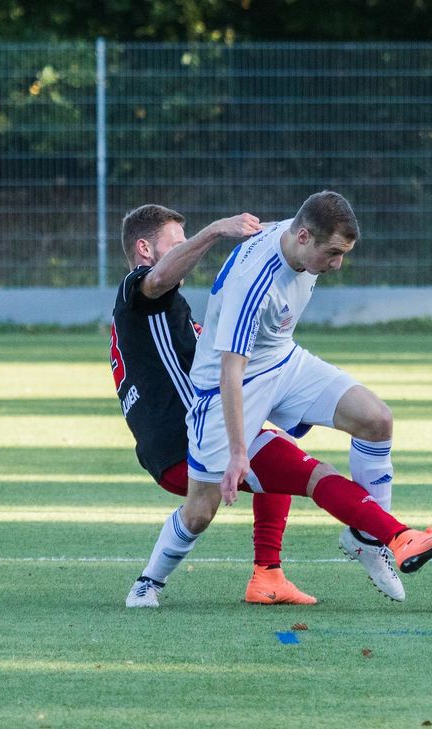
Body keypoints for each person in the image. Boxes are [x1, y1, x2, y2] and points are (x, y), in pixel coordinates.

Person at [128, 191, 432, 606]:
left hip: (283, 360)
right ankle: (148, 583)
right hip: (230, 385)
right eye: (333, 253)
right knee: (199, 512)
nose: (337, 264)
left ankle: (375, 539)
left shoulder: (298, 235)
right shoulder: (254, 285)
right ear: (302, 238)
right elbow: (230, 371)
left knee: (376, 419)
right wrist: (240, 452)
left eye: (344, 252)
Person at [112, 205, 317, 607]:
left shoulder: (168, 313)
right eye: (178, 243)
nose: (188, 249)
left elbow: (232, 371)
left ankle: (266, 575)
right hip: (182, 442)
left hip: (170, 444)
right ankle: (380, 535)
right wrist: (215, 231)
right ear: (144, 249)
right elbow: (158, 278)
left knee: (272, 463)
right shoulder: (141, 289)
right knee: (303, 473)